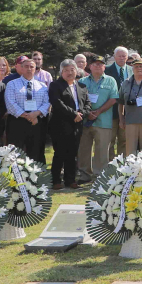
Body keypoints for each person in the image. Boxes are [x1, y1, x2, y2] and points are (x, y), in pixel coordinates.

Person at [48, 59, 90, 189]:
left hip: (77, 124)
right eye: (66, 70)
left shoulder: (82, 86)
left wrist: (81, 114)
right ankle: (56, 180)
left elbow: (87, 104)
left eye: (72, 69)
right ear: (61, 72)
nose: (69, 72)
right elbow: (57, 103)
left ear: (76, 71)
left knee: (72, 153)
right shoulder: (55, 85)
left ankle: (70, 180)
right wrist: (74, 114)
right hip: (60, 124)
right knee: (60, 152)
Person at [76, 54, 118, 182]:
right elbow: (78, 100)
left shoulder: (110, 80)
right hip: (85, 121)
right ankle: (85, 174)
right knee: (84, 149)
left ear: (104, 67)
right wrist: (87, 113)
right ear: (90, 66)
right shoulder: (82, 81)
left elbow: (113, 99)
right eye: (95, 64)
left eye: (101, 64)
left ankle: (100, 175)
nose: (98, 66)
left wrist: (98, 111)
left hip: (103, 120)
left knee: (102, 150)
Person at [5, 56, 50, 164]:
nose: (29, 69)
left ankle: (34, 178)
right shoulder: (12, 84)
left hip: (36, 123)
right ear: (21, 68)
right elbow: (10, 103)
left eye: (32, 67)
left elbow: (47, 103)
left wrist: (35, 114)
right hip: (17, 122)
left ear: (35, 69)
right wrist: (27, 116)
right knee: (16, 153)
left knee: (35, 152)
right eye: (26, 66)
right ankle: (16, 178)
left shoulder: (42, 86)